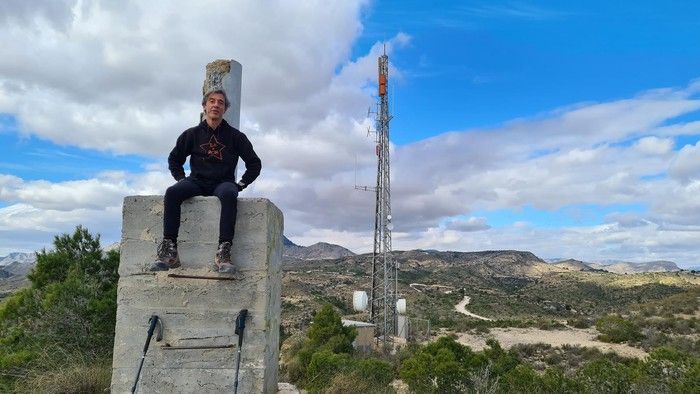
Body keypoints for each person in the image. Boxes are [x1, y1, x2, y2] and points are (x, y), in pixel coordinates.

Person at [151, 89, 262, 273]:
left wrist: (241, 184)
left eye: (220, 102)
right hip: (196, 181)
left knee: (229, 194)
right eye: (212, 101)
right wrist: (181, 179)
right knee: (172, 192)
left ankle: (223, 253)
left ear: (225, 109)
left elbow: (254, 163)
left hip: (223, 182)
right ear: (204, 106)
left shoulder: (236, 137)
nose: (216, 105)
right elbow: (174, 159)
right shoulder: (191, 134)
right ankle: (169, 250)